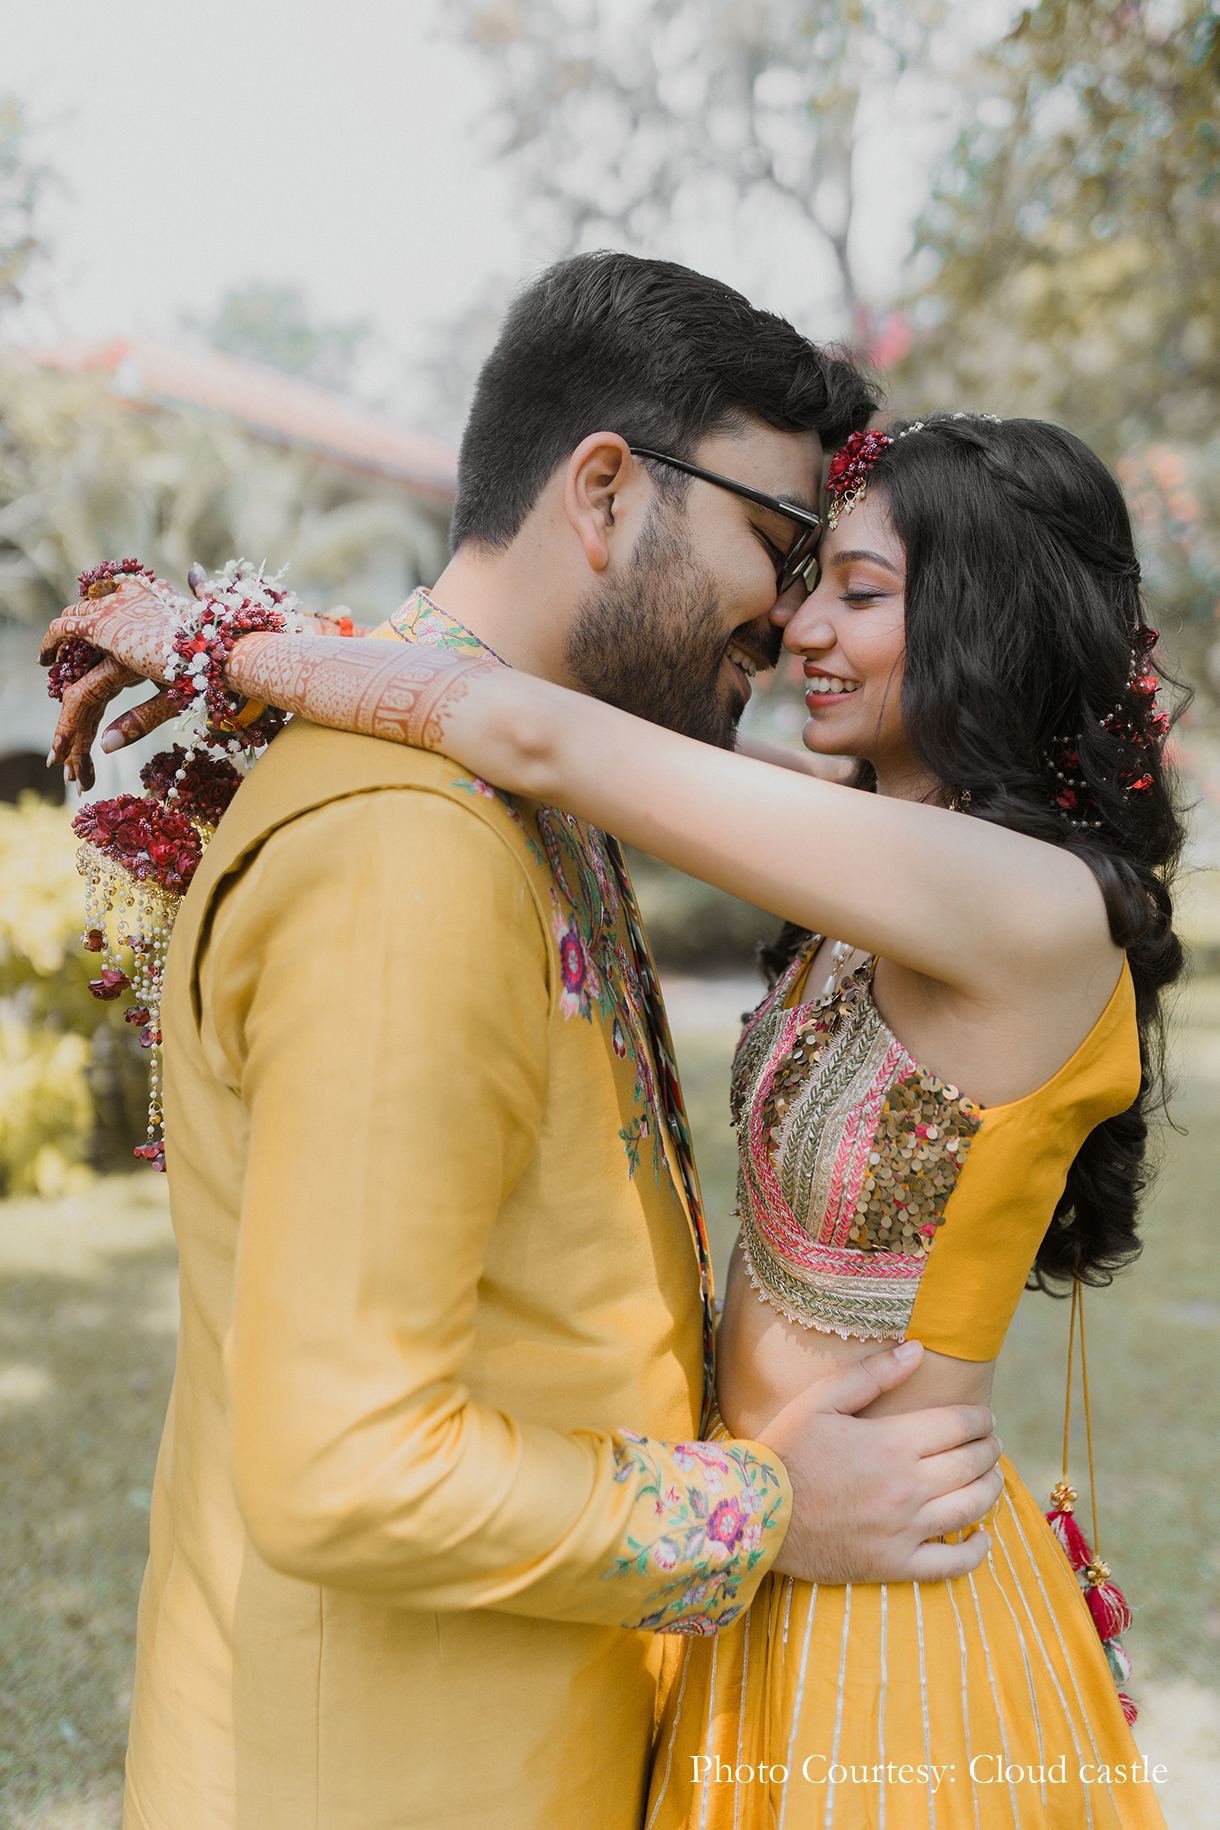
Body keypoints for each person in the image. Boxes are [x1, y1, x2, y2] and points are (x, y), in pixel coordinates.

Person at [43, 260, 1009, 1830]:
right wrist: (767, 1508)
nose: (788, 608)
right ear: (608, 490)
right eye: (775, 544)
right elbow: (346, 1460)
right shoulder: (404, 851)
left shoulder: (509, 793)